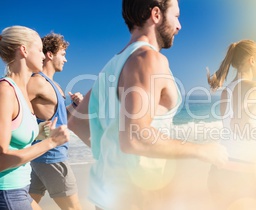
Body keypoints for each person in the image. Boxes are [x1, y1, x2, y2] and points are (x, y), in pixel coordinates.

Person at [68, 0, 228, 209]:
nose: (179, 26)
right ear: (156, 14)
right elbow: (135, 136)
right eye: (176, 16)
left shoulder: (113, 65)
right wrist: (203, 150)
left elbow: (76, 122)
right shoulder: (148, 58)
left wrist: (112, 158)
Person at [0, 25, 70, 210]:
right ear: (23, 50)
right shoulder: (6, 91)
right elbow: (1, 159)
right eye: (39, 50)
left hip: (21, 189)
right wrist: (51, 143)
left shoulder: (22, 92)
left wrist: (42, 132)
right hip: (8, 193)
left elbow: (16, 136)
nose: (42, 55)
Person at [206, 39, 256, 208]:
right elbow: (250, 129)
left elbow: (233, 127)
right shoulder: (253, 87)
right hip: (241, 174)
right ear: (252, 60)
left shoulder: (227, 90)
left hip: (220, 170)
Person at [27, 33, 83, 210]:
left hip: (42, 157)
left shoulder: (54, 85)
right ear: (49, 55)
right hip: (52, 157)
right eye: (63, 54)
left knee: (26, 202)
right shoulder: (37, 82)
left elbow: (57, 119)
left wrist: (74, 106)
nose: (66, 60)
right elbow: (14, 113)